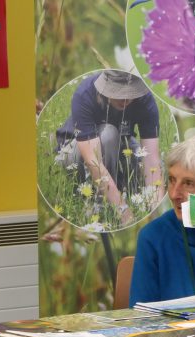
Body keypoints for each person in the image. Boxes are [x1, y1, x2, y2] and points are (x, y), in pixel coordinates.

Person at [129, 135, 195, 306]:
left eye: (188, 183)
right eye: (172, 180)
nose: (174, 194)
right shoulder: (153, 237)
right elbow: (141, 317)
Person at [56, 69, 163, 224]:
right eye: (119, 93)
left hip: (120, 142)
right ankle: (100, 207)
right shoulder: (85, 94)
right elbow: (94, 163)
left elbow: (151, 159)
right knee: (108, 135)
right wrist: (125, 214)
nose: (125, 100)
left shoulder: (145, 99)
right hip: (74, 151)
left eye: (130, 93)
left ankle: (124, 192)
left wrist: (158, 217)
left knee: (146, 159)